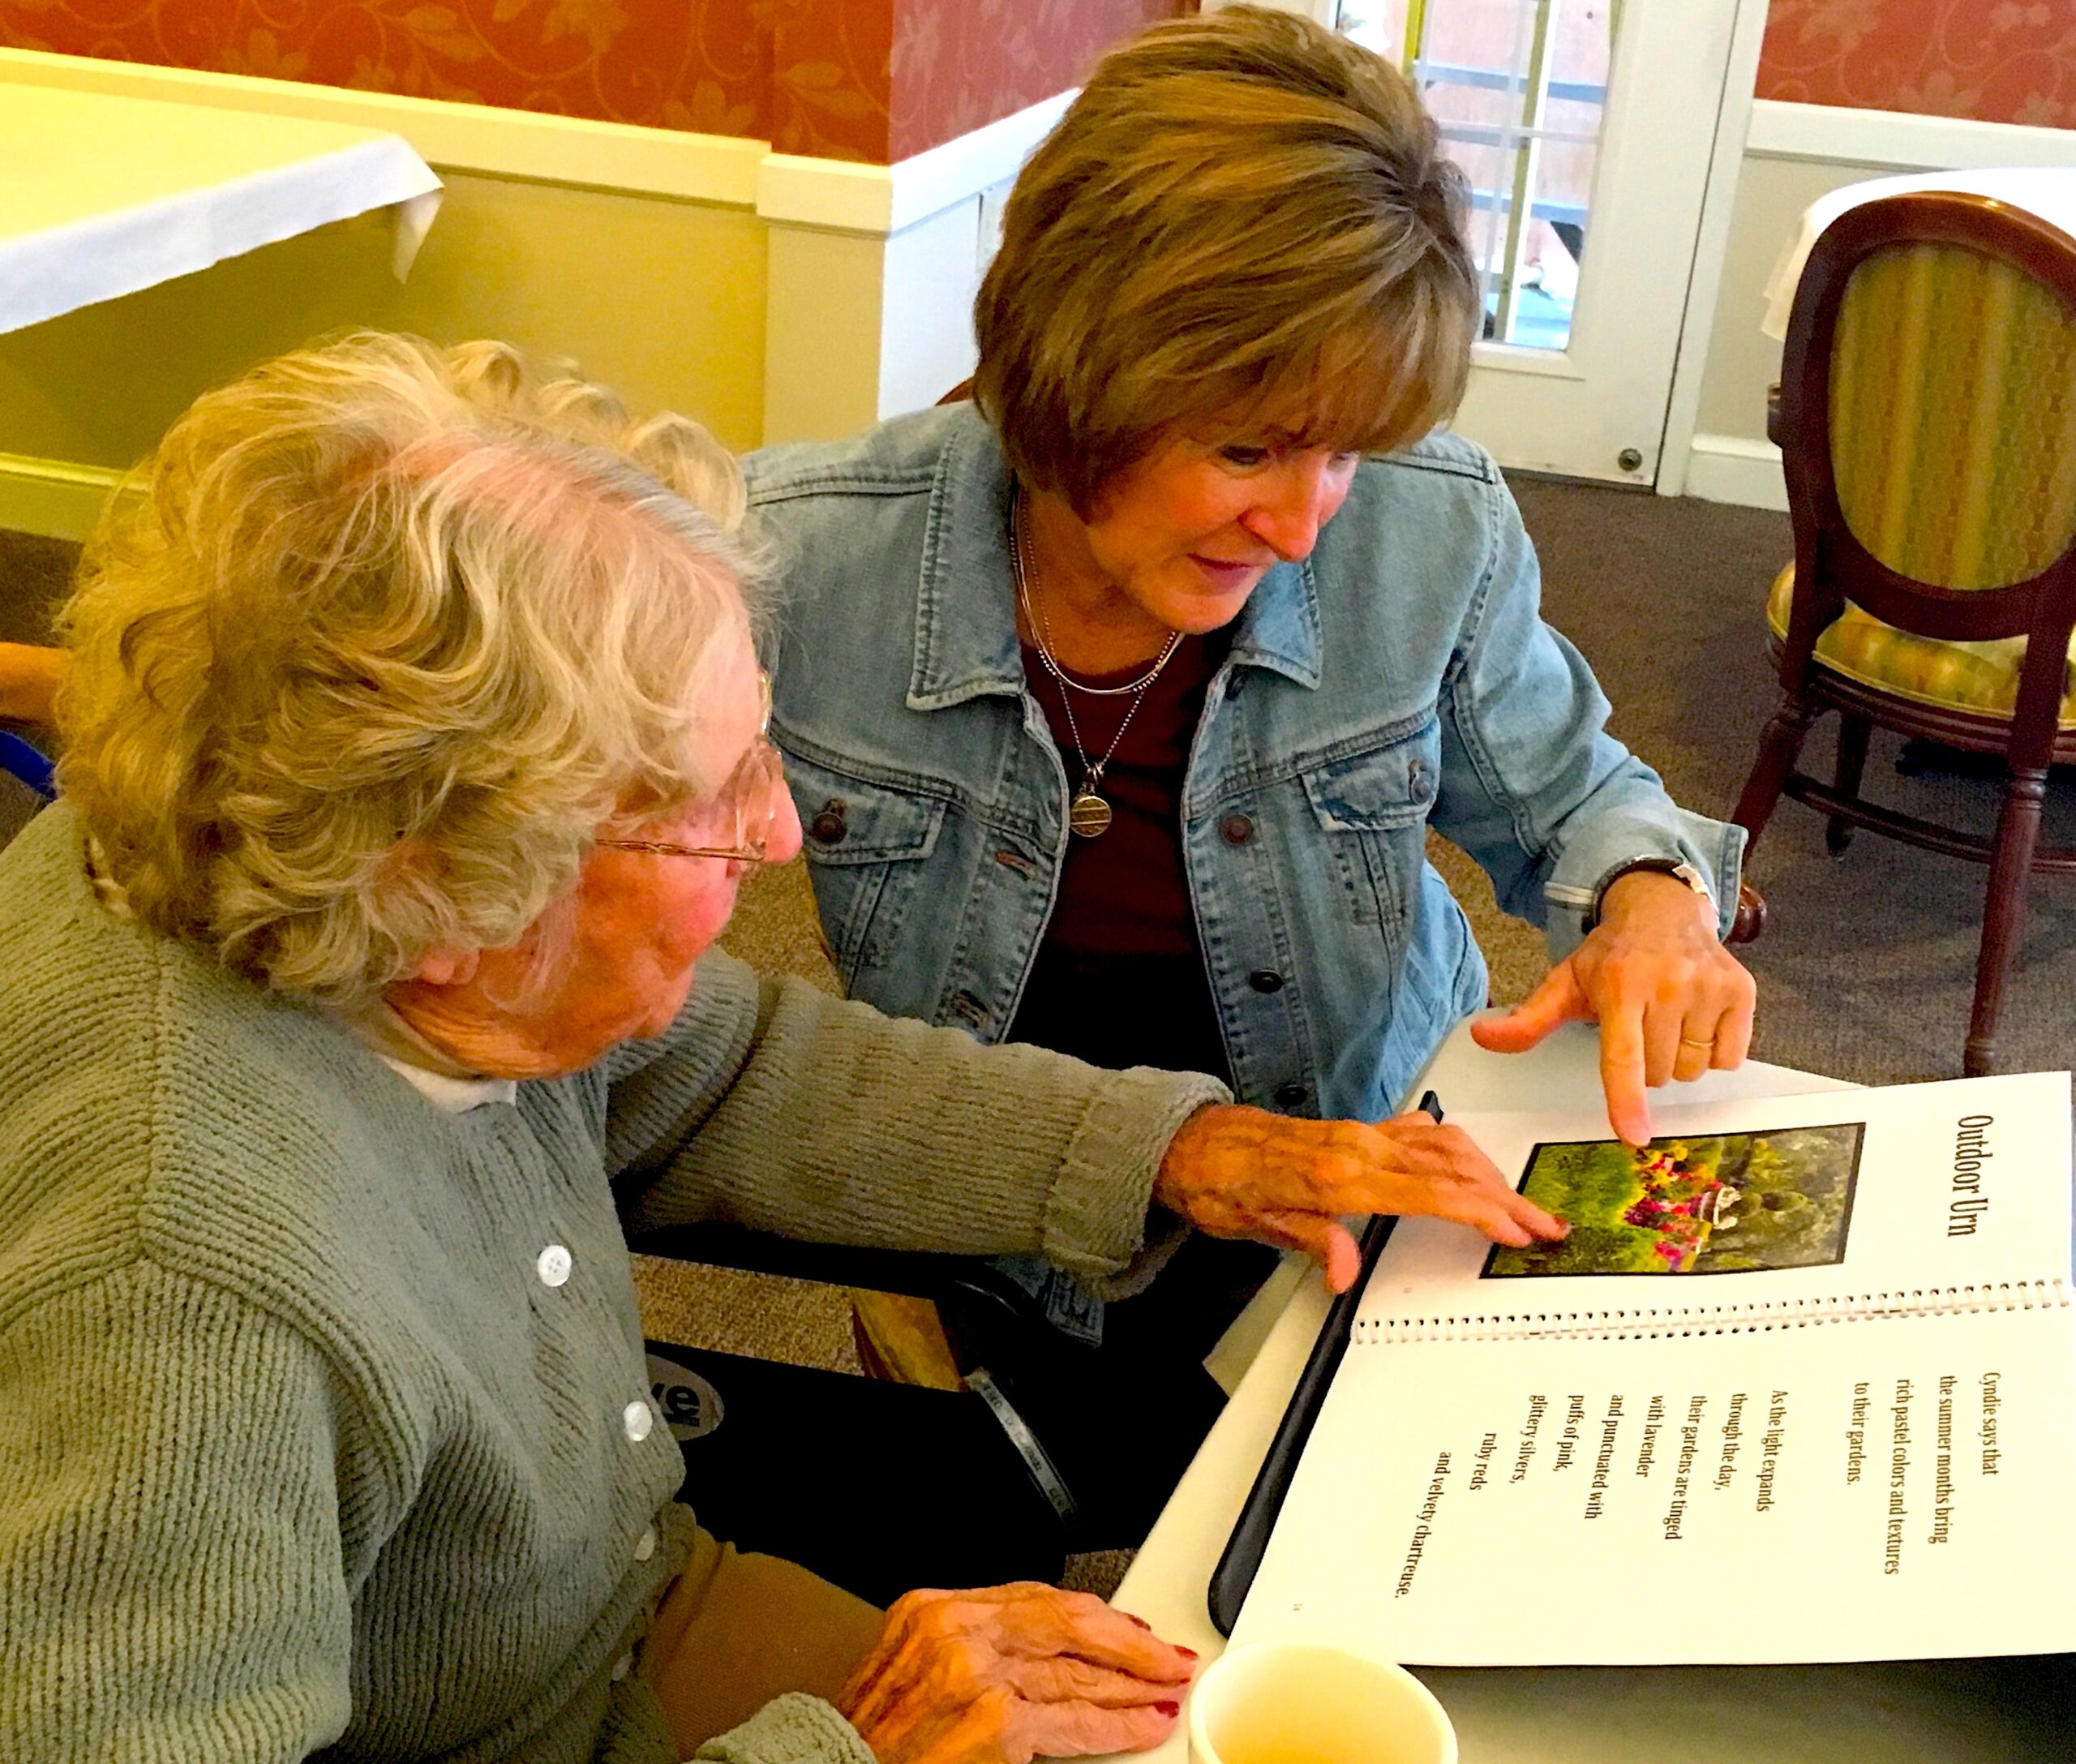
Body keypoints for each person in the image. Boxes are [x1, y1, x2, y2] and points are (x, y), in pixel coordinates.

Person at [0, 332, 1561, 1764]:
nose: (780, 829)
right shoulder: (179, 1305)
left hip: (617, 1608)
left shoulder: (333, 863)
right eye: (711, 797)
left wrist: (1177, 1149)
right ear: (447, 885)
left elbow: (737, 1078)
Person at [742, 6, 1756, 1542]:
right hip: (995, 1197)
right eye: (1248, 453)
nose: (1305, 523)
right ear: (1075, 372)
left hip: (1352, 1178)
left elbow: (1573, 789)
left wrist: (1651, 894)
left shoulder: (1431, 529)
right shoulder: (795, 561)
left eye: (1346, 452)